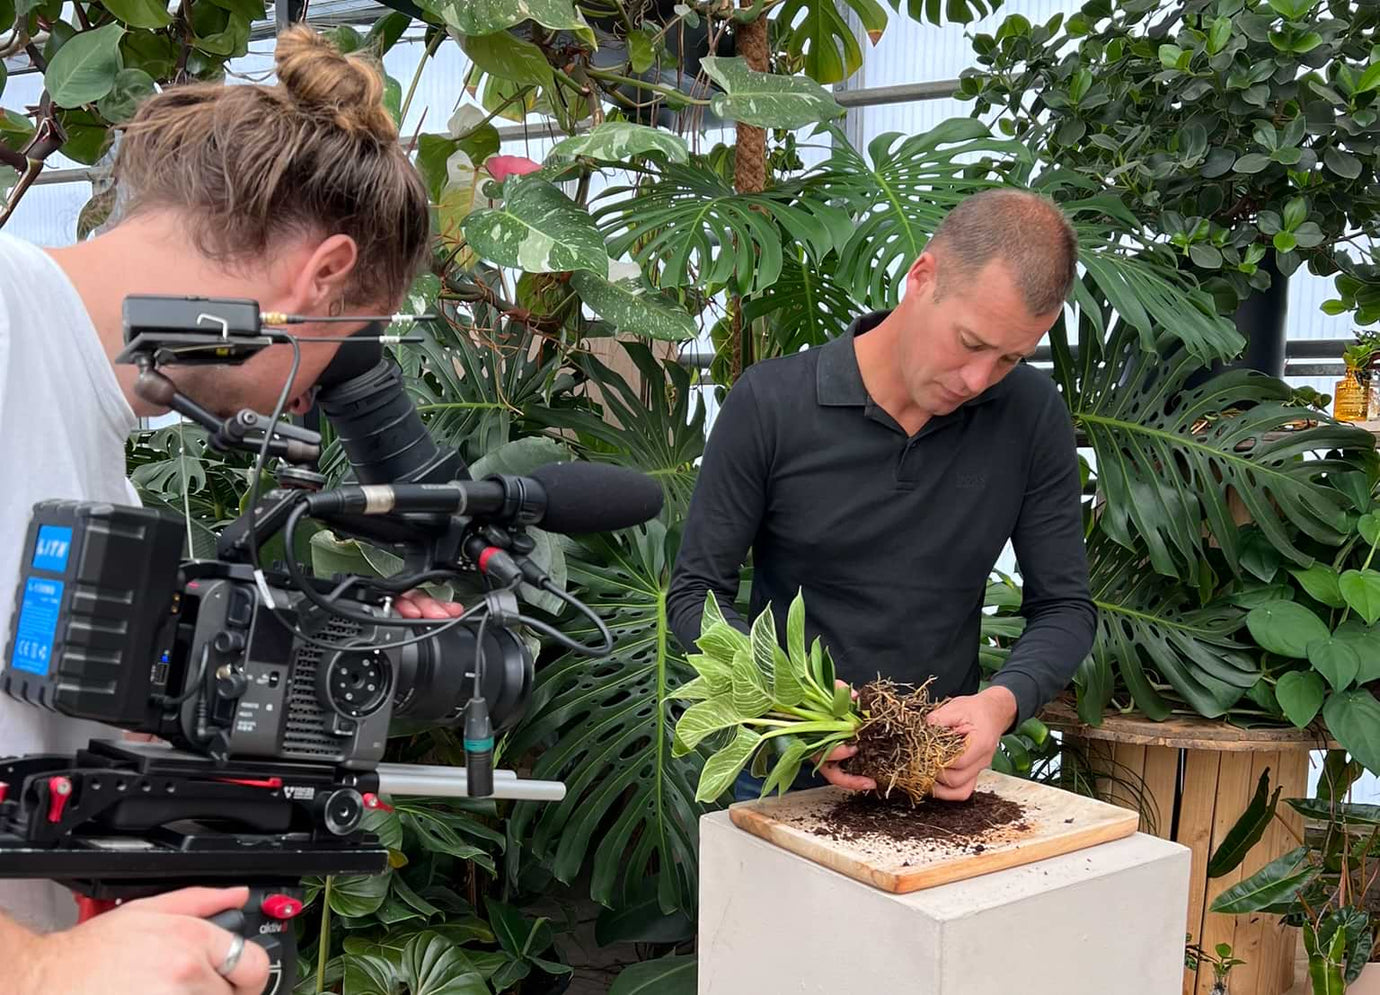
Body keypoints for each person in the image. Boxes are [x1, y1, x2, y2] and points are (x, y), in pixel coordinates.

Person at [0, 25, 455, 994]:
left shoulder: (103, 473)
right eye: (349, 342)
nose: (318, 389)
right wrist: (33, 966)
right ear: (319, 277)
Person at [667, 189, 1098, 804]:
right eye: (971, 343)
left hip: (935, 771)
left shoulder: (1030, 416)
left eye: (1009, 358)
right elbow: (694, 595)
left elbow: (1064, 608)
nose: (978, 380)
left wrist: (999, 706)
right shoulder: (772, 405)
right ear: (921, 278)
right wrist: (789, 701)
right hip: (782, 768)